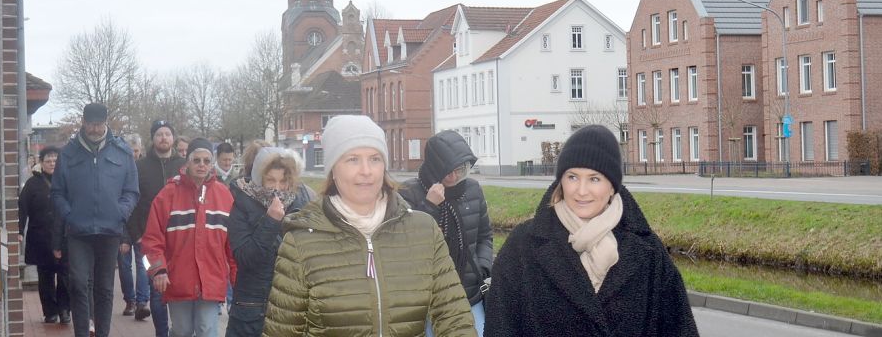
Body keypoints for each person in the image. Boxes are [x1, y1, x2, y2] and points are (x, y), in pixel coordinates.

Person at [262, 115, 476, 337]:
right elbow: (282, 331)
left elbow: (455, 318)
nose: (366, 170)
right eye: (353, 159)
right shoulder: (301, 241)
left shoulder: (424, 231)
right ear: (333, 170)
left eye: (374, 159)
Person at [484, 125, 699, 337]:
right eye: (572, 177)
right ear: (561, 181)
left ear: (612, 186)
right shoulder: (523, 246)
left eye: (594, 179)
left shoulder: (648, 252)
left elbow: (679, 328)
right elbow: (500, 327)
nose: (581, 190)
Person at [51, 103, 139, 337]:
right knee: (79, 284)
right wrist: (70, 214)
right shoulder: (68, 152)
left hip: (110, 230)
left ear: (106, 122)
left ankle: (102, 334)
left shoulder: (122, 151)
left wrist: (120, 212)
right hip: (78, 230)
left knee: (105, 288)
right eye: (90, 124)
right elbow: (57, 191)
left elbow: (131, 191)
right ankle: (82, 333)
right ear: (83, 122)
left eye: (99, 124)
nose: (95, 129)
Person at [399, 130, 493, 336]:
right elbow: (404, 244)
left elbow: (485, 235)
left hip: (470, 294)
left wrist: (482, 266)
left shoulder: (473, 189)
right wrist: (429, 205)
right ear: (435, 169)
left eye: (460, 169)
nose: (454, 176)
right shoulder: (409, 193)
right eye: (448, 171)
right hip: (428, 302)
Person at [143, 138, 237, 337]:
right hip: (178, 280)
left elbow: (233, 244)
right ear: (187, 162)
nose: (202, 165)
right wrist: (157, 270)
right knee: (182, 330)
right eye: (196, 160)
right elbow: (150, 240)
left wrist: (237, 276)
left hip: (212, 278)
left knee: (207, 330)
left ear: (212, 163)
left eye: (206, 160)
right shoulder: (167, 194)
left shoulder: (224, 196)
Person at [225, 146, 309, 337]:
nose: (277, 188)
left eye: (283, 181)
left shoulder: (301, 207)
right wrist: (271, 222)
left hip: (290, 310)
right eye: (271, 180)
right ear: (259, 180)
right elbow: (246, 258)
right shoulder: (241, 206)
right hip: (252, 311)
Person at [127, 119, 185, 333]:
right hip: (147, 240)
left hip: (180, 239)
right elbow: (130, 200)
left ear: (173, 138)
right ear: (153, 138)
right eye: (159, 134)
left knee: (178, 287)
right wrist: (136, 235)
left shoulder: (183, 165)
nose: (163, 138)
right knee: (156, 288)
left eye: (167, 134)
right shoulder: (139, 166)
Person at [19, 145, 71, 324]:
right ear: (41, 163)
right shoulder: (32, 184)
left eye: (55, 161)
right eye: (48, 161)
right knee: (45, 277)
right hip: (41, 238)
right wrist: (19, 231)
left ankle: (64, 309)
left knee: (65, 276)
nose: (52, 164)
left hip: (64, 237)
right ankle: (50, 311)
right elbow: (22, 208)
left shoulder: (68, 181)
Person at [118, 133, 148, 317]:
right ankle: (130, 300)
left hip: (143, 228)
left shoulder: (143, 170)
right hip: (124, 227)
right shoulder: (119, 170)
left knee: (144, 265)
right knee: (124, 265)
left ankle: (142, 301)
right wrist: (124, 236)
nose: (134, 155)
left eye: (136, 151)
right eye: (131, 151)